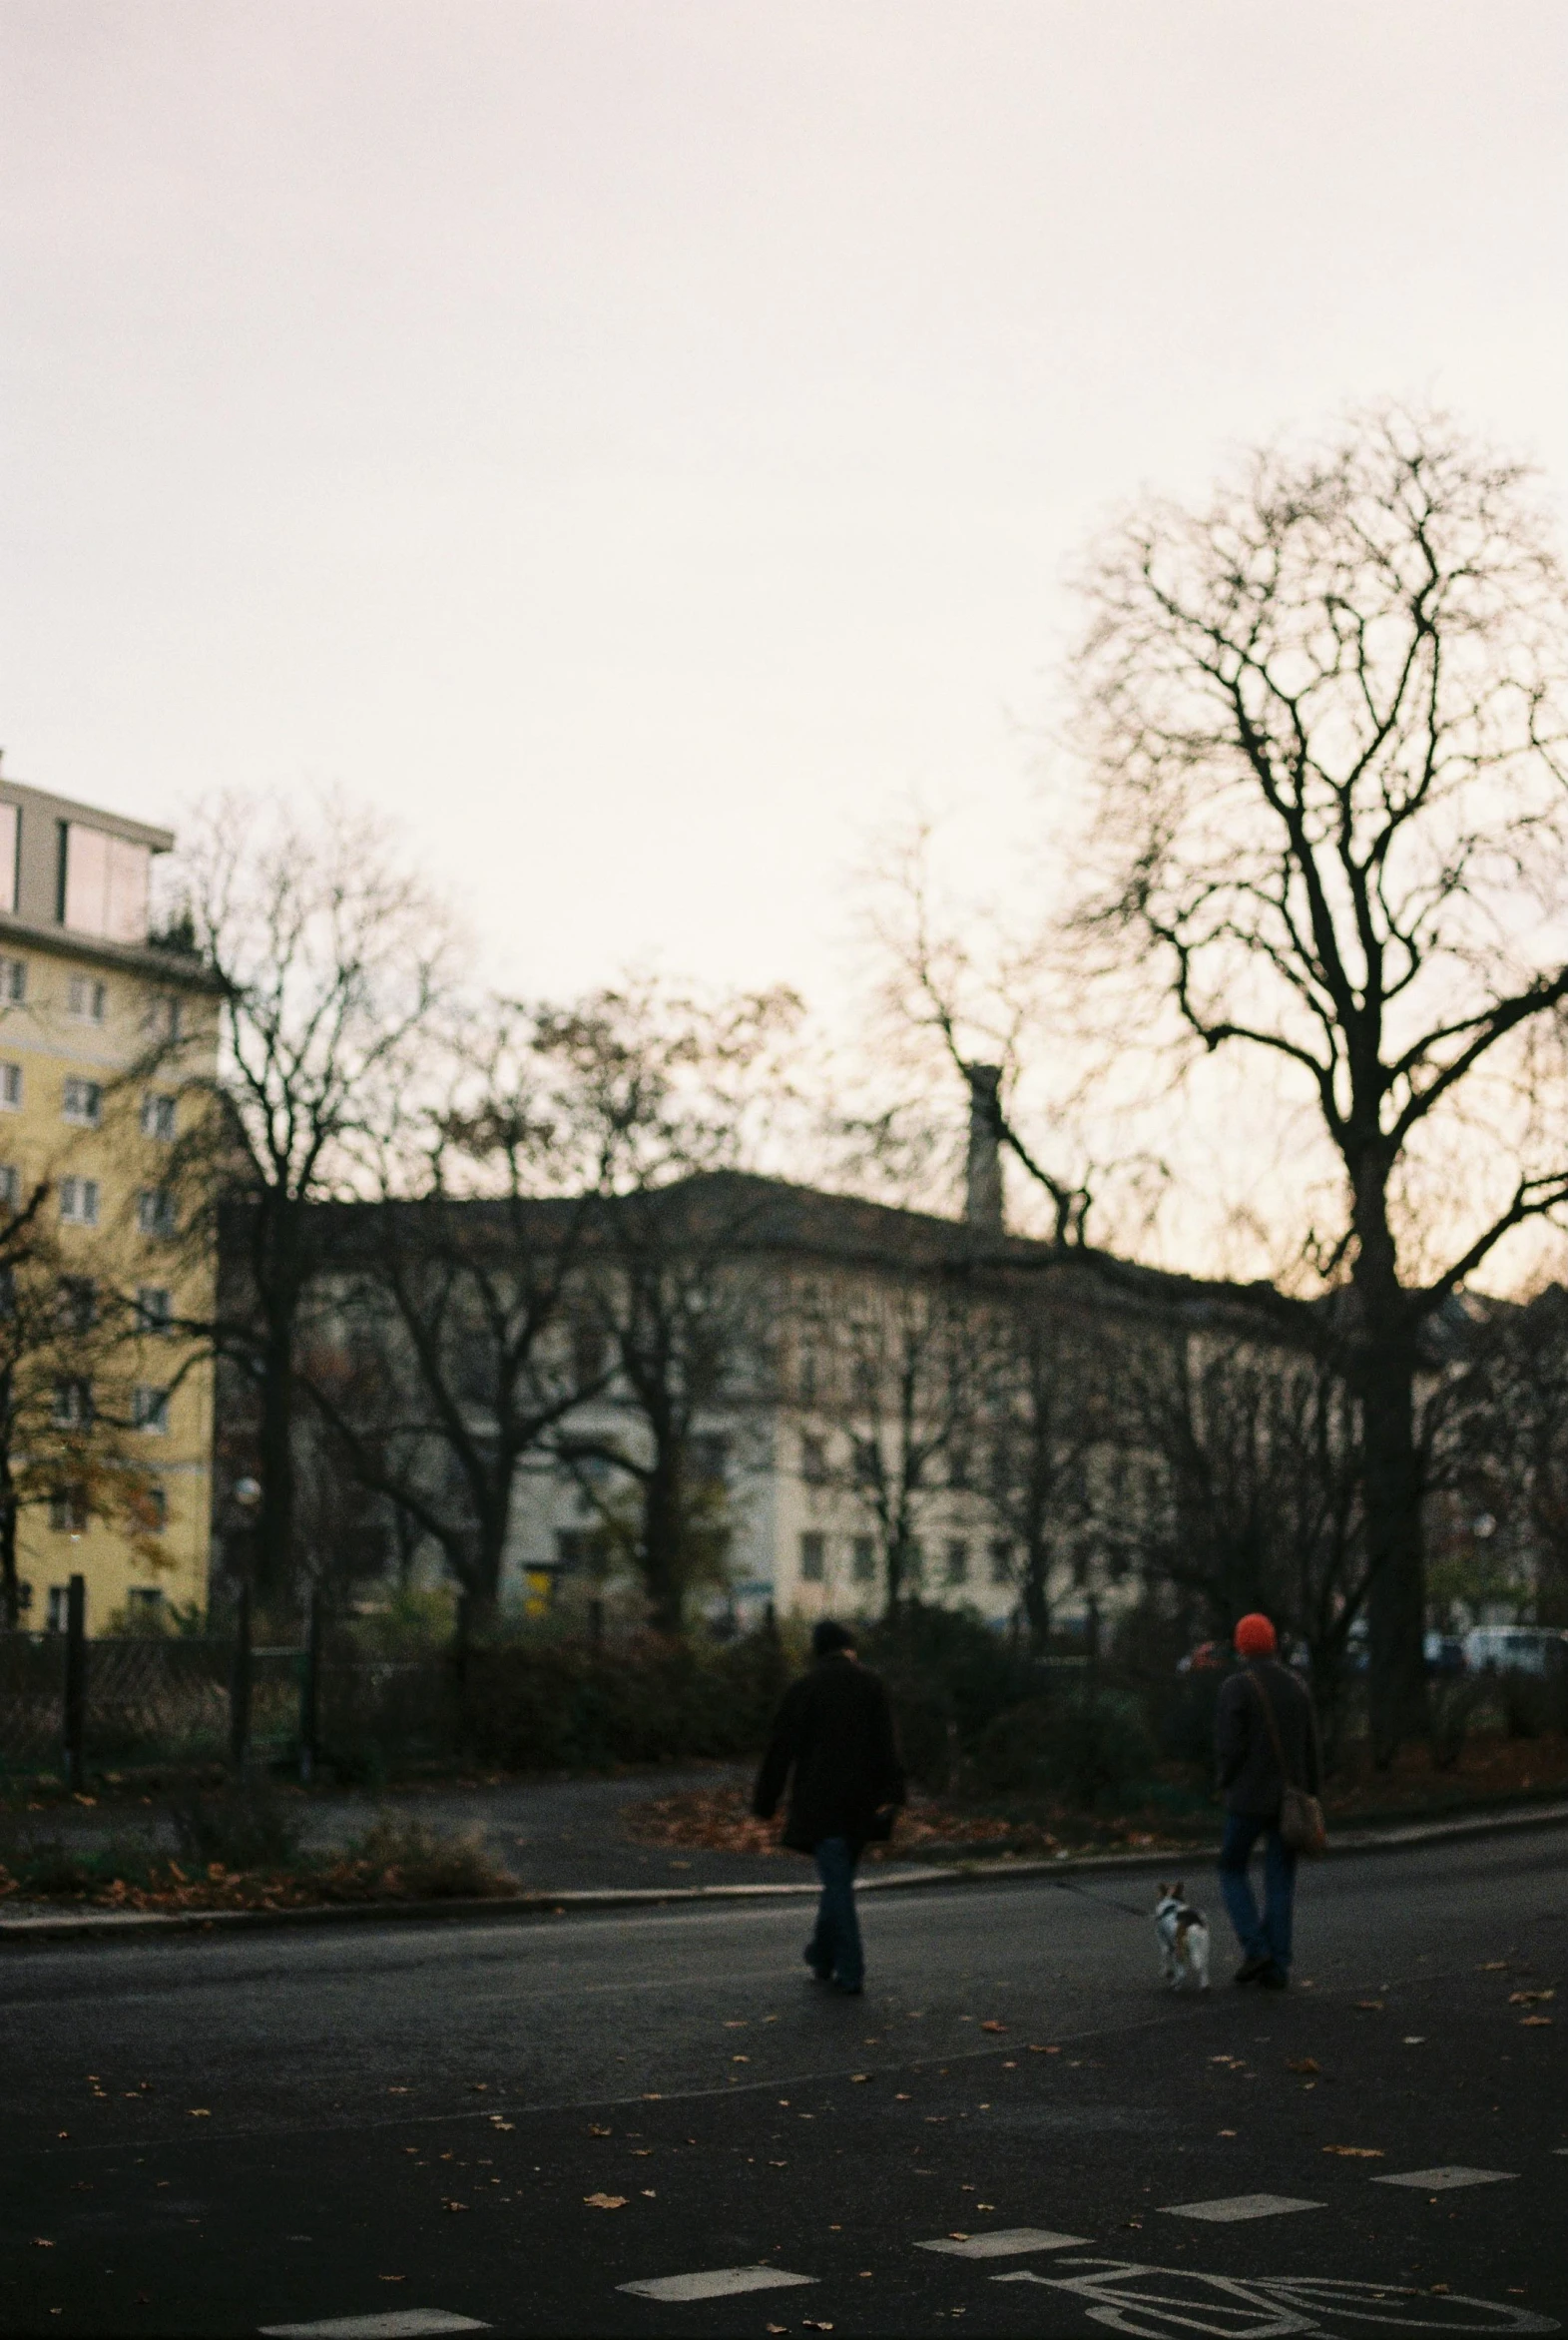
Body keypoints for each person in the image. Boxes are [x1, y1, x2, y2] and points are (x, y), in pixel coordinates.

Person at [752, 1618, 905, 1998]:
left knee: (836, 1882)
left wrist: (765, 1802)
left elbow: (780, 1751)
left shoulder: (804, 1688)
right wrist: (894, 1795)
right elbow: (888, 1744)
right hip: (863, 1803)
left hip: (820, 1801)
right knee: (838, 1879)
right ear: (849, 1647)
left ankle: (850, 1969)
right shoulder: (872, 1685)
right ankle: (822, 1955)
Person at [1215, 1610, 1321, 1990]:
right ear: (1273, 1643)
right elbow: (1311, 1747)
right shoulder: (1296, 1685)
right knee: (1280, 1882)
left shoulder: (1236, 1687)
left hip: (1247, 1799)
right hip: (1289, 1800)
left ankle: (1255, 1947)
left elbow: (1229, 1749)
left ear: (1242, 1645)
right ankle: (1277, 1965)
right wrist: (1312, 1794)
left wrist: (1223, 1782)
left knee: (1231, 1868)